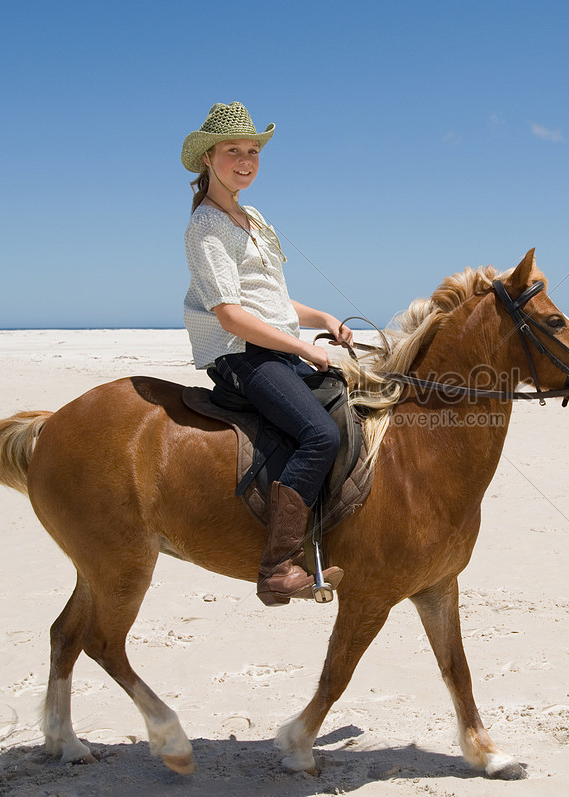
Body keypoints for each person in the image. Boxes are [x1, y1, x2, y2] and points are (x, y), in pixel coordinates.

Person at [180, 102, 351, 606]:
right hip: (241, 355)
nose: (246, 160)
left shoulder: (252, 218)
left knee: (348, 405)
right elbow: (232, 315)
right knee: (318, 435)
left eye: (253, 151)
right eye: (234, 151)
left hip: (275, 346)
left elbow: (270, 299)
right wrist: (302, 346)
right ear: (209, 157)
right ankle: (277, 567)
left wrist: (322, 320)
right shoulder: (206, 227)